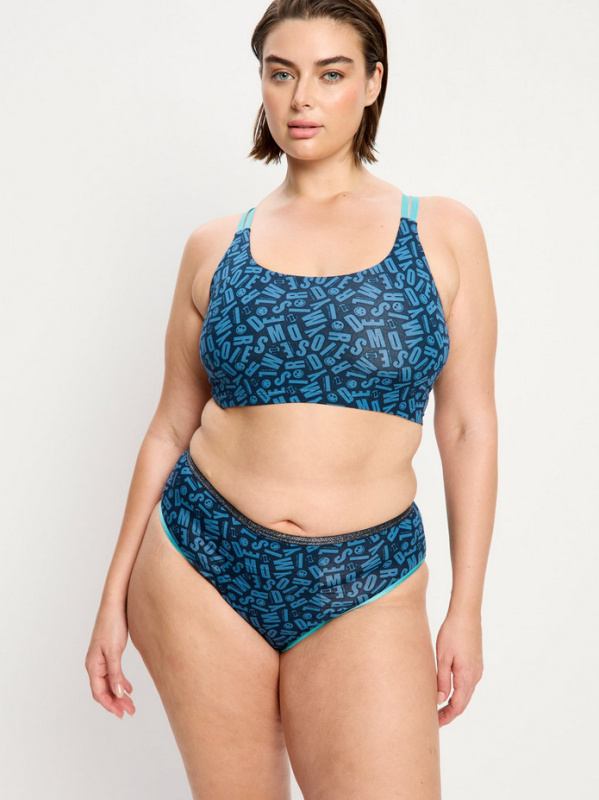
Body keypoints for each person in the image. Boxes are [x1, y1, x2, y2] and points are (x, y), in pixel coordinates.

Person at [85, 0, 498, 797]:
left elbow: (467, 425)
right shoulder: (215, 246)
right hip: (199, 564)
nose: (301, 98)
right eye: (281, 74)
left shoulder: (440, 233)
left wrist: (466, 607)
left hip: (367, 576)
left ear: (372, 82)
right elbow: (169, 426)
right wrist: (111, 599)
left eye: (330, 74)